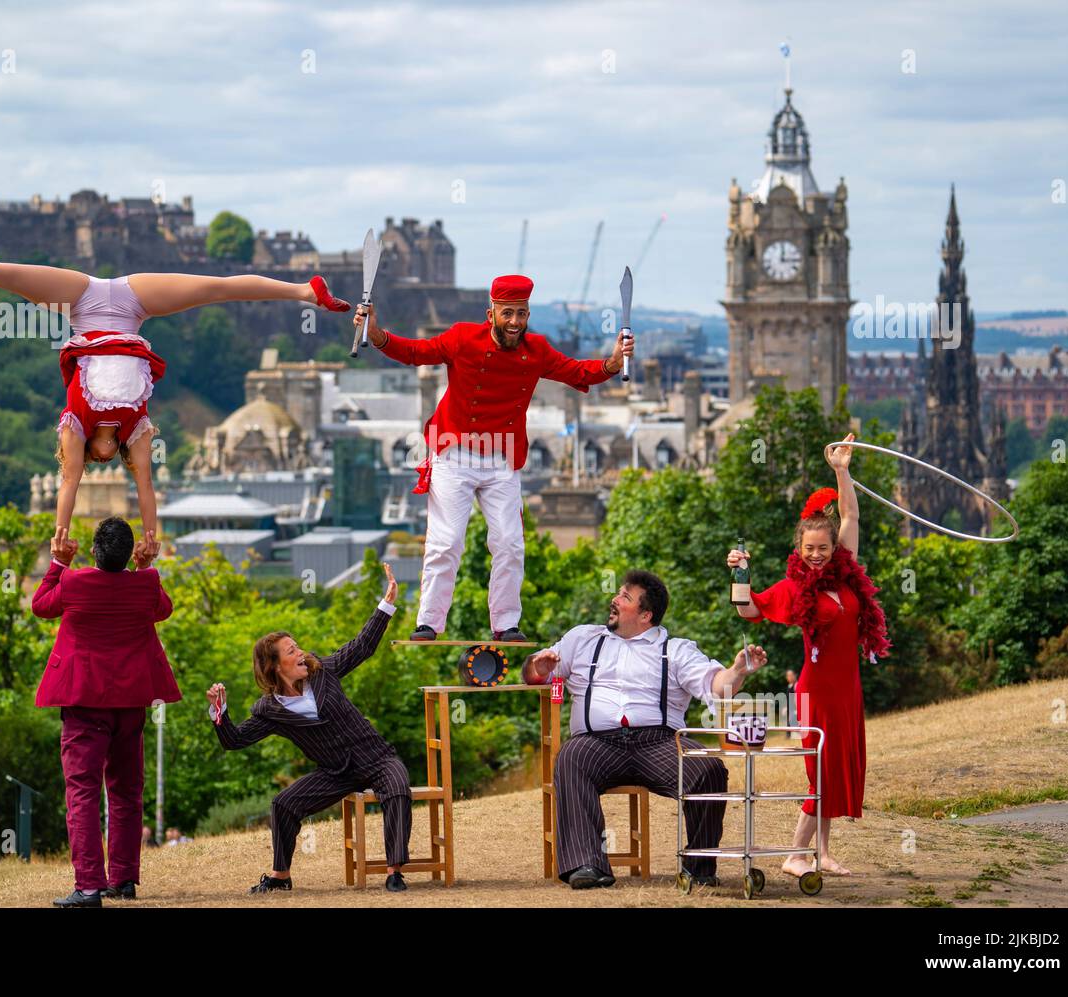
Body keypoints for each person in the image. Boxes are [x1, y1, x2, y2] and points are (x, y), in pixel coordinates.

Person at [0, 250, 350, 544]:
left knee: (4, 276)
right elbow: (145, 490)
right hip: (131, 306)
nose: (99, 459)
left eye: (94, 460)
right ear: (116, 453)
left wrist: (59, 535)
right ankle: (307, 293)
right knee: (215, 290)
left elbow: (68, 485)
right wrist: (150, 539)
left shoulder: (75, 428)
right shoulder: (136, 432)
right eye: (106, 459)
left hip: (81, 303)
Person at [354, 274, 633, 643]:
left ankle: (506, 624)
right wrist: (376, 335)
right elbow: (414, 352)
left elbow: (577, 372)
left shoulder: (537, 350)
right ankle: (429, 622)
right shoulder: (460, 338)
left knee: (510, 542)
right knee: (447, 541)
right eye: (508, 313)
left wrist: (613, 362)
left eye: (521, 313)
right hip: (454, 453)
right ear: (491, 314)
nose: (516, 322)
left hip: (502, 458)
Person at [523, 569, 766, 889]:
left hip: (660, 744)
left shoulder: (676, 649)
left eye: (625, 597)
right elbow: (534, 673)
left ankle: (698, 867)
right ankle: (587, 864)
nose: (614, 599)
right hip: (597, 743)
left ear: (646, 614)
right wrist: (537, 669)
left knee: (709, 769)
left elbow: (716, 686)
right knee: (571, 758)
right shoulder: (582, 639)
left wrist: (737, 671)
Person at [727, 433, 890, 877]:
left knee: (838, 770)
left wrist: (842, 470)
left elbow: (852, 512)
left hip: (846, 689)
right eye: (809, 550)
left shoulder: (846, 574)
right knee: (822, 773)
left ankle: (822, 852)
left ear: (834, 548)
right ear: (799, 551)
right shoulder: (796, 588)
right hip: (815, 692)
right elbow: (748, 609)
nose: (816, 556)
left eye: (823, 548)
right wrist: (740, 572)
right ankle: (796, 853)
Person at [206, 564, 412, 894]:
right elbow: (234, 740)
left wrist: (386, 605)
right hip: (335, 772)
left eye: (297, 647)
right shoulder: (270, 710)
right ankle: (280, 876)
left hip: (376, 757)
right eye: (292, 652)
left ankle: (394, 871)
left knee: (398, 784)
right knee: (283, 804)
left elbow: (361, 647)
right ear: (275, 666)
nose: (300, 653)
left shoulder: (322, 671)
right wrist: (219, 712)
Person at [31, 516, 180, 907]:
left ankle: (89, 886)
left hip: (84, 703)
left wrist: (58, 562)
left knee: (83, 793)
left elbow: (40, 606)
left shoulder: (75, 582)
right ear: (130, 552)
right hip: (130, 702)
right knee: (127, 791)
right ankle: (124, 878)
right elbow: (162, 610)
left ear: (95, 551)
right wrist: (145, 567)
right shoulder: (144, 584)